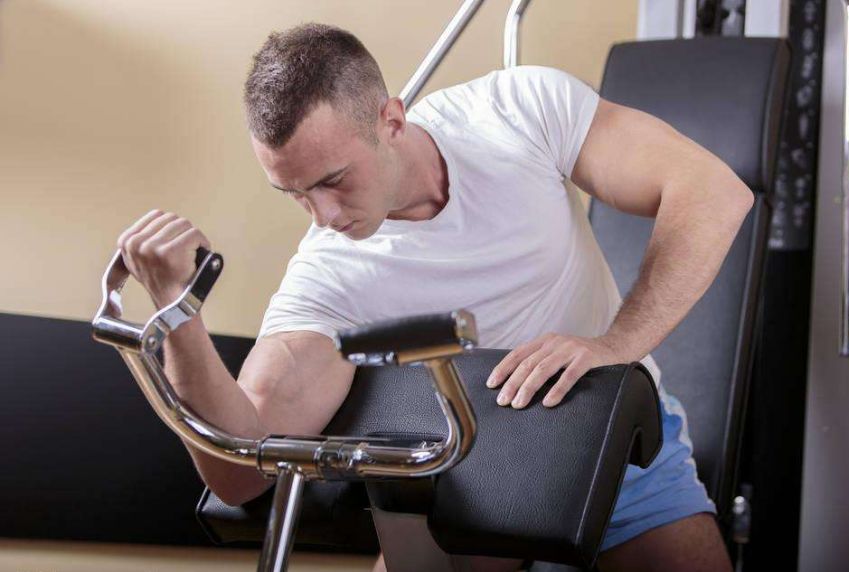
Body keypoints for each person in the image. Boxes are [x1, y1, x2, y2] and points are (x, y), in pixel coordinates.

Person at [117, 23, 751, 572]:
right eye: (296, 193)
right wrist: (179, 314)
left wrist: (615, 345)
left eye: (334, 180)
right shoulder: (328, 274)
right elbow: (240, 471)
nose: (323, 215)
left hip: (609, 437)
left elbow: (712, 192)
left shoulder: (516, 112)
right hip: (467, 483)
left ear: (392, 121)